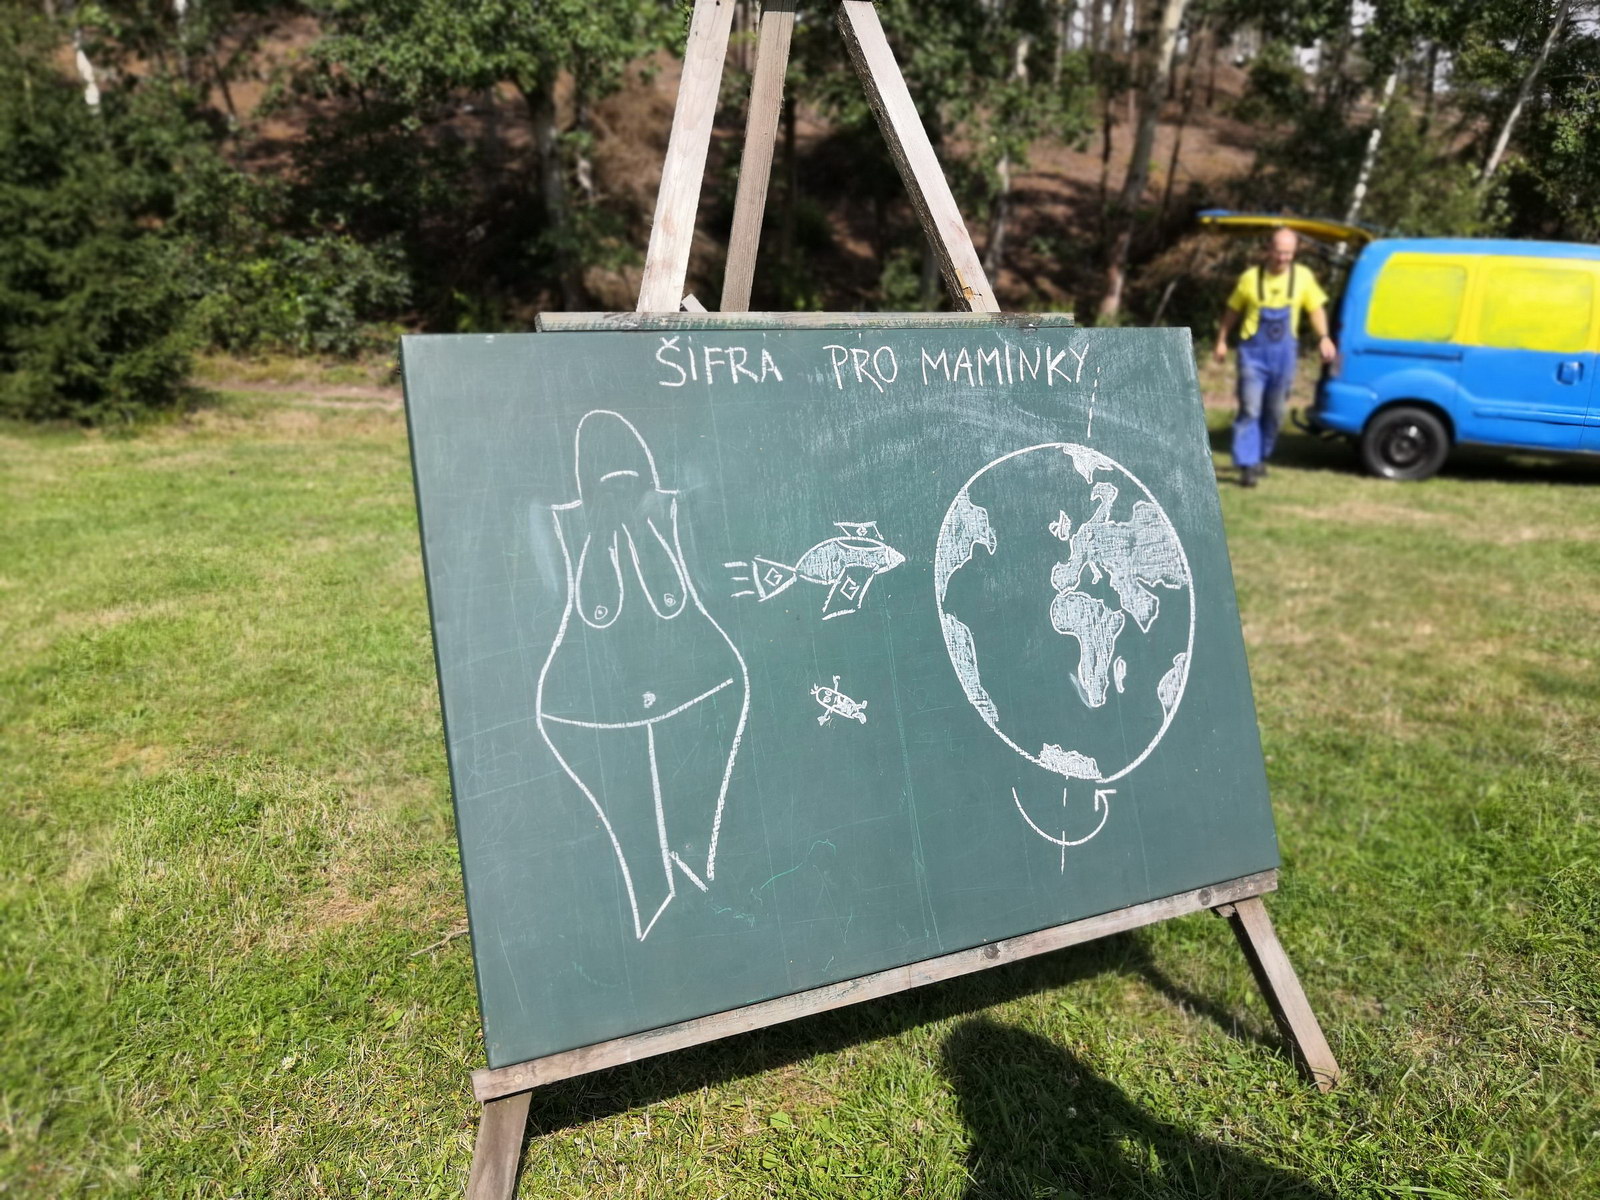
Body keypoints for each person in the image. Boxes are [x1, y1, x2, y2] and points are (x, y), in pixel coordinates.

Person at [1212, 227, 1337, 487]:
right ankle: (1246, 463)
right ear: (1268, 250)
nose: (1282, 258)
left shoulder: (1302, 277)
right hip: (1252, 355)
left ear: (1295, 253)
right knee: (1250, 408)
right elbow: (1232, 310)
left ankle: (1260, 455)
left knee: (1275, 411)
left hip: (1284, 356)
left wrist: (1324, 337)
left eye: (1288, 253)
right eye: (1279, 252)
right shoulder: (1250, 278)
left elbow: (1315, 309)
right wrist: (1222, 340)